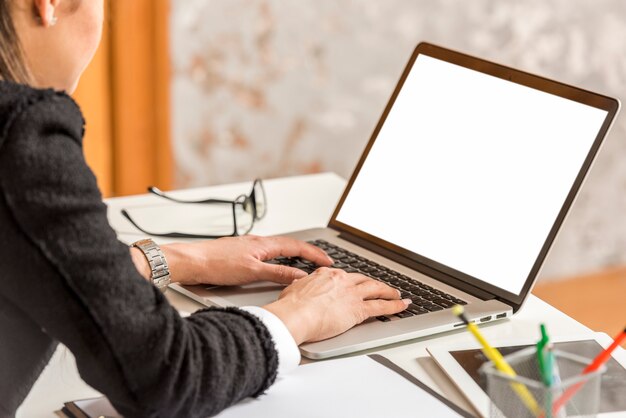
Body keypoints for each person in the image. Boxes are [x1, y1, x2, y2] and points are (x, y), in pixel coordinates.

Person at [0, 1, 410, 417]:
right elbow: (167, 376)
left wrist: (173, 259)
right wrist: (298, 316)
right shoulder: (19, 136)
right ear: (48, 5)